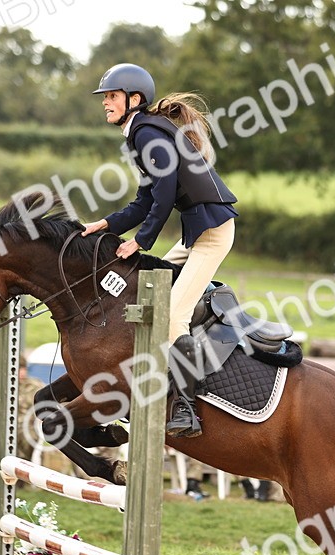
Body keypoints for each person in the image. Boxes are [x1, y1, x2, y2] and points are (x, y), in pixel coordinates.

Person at [82, 63, 238, 440]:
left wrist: (141, 240)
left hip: (212, 235)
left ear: (134, 100)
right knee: (145, 290)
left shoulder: (147, 132)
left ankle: (187, 406)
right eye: (105, 97)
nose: (106, 103)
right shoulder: (140, 132)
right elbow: (144, 200)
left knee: (173, 314)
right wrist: (106, 225)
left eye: (112, 97)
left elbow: (165, 194)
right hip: (195, 233)